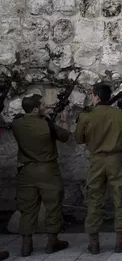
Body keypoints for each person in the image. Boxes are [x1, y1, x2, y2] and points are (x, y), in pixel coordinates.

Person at [11, 94, 70, 257]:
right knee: (53, 205)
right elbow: (65, 136)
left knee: (27, 208)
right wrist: (64, 119)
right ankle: (52, 241)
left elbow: (26, 123)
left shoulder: (17, 124)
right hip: (48, 170)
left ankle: (26, 245)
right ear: (36, 109)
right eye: (43, 105)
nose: (47, 106)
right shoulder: (47, 126)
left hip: (26, 171)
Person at [76, 83, 122, 254]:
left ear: (96, 96)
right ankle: (120, 241)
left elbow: (79, 139)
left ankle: (94, 243)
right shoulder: (120, 115)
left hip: (96, 161)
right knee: (120, 199)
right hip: (115, 160)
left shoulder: (87, 116)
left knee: (94, 200)